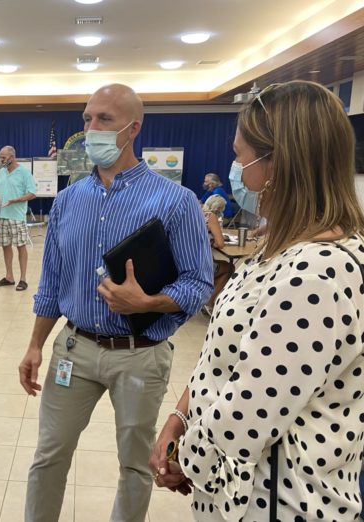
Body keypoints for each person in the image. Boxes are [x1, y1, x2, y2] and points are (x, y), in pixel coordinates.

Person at [150, 81, 364, 520]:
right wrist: (181, 415)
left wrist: (183, 459)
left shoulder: (317, 274)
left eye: (241, 156)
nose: (237, 172)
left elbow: (246, 420)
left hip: (278, 502)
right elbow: (225, 358)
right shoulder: (278, 254)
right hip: (235, 491)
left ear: (278, 164)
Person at [19, 84, 214, 522]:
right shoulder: (68, 201)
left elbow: (199, 281)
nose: (92, 129)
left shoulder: (175, 201)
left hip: (140, 354)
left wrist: (148, 300)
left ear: (132, 129)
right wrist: (34, 344)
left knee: (135, 464)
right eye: (87, 119)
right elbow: (51, 281)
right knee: (49, 455)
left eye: (104, 120)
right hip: (75, 349)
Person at [0, 145, 37, 291]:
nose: (1, 160)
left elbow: (32, 193)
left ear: (12, 157)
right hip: (2, 216)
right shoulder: (1, 173)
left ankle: (23, 279)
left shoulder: (24, 172)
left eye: (3, 157)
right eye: (0, 157)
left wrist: (16, 200)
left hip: (17, 216)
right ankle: (9, 277)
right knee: (6, 246)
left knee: (20, 246)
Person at [203, 195, 231, 312]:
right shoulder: (211, 216)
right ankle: (209, 302)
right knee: (229, 268)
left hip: (183, 261)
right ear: (218, 209)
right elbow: (220, 244)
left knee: (218, 264)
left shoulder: (198, 212)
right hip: (200, 266)